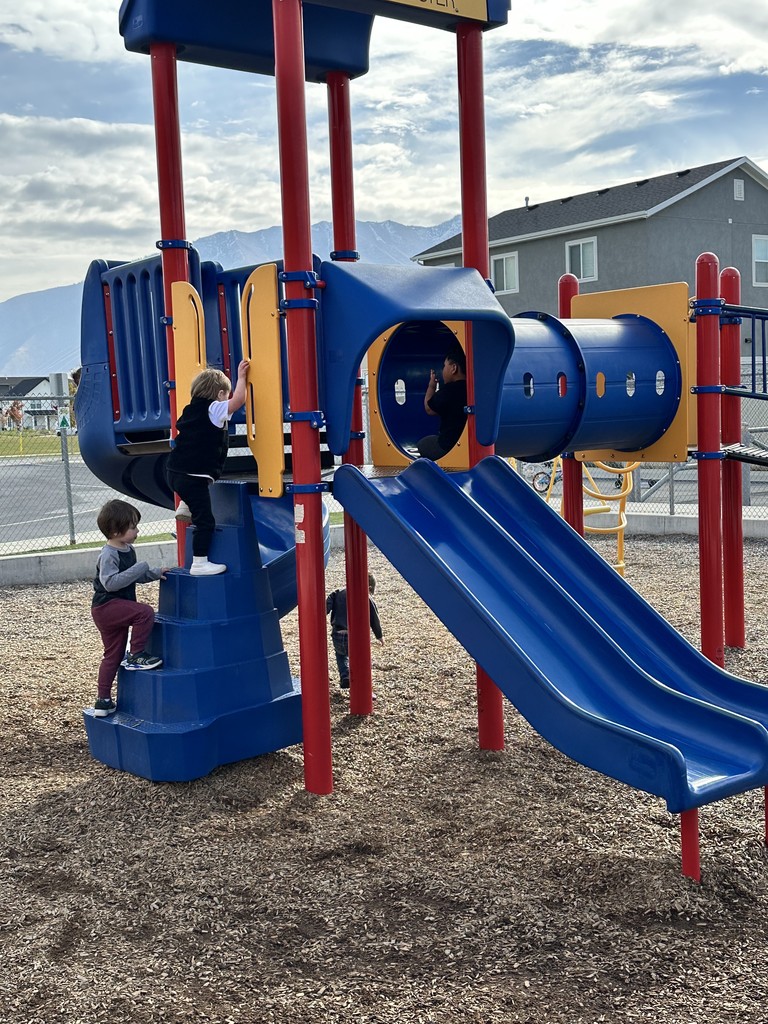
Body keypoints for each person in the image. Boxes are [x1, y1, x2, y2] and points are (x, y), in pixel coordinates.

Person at [165, 359, 249, 576]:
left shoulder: (191, 409)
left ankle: (185, 505)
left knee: (196, 494)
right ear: (220, 394)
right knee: (206, 520)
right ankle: (199, 563)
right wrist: (242, 378)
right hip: (193, 475)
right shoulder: (214, 408)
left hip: (175, 471)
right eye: (225, 394)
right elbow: (239, 400)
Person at [91, 499, 171, 718]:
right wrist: (141, 567)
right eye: (133, 526)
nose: (137, 530)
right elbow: (110, 583)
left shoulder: (127, 549)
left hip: (111, 608)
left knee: (113, 656)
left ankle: (103, 701)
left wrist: (155, 572)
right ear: (116, 531)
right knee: (144, 612)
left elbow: (134, 577)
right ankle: (136, 655)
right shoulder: (109, 554)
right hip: (107, 606)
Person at [326, 573, 384, 689]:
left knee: (340, 655)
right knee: (359, 659)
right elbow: (374, 618)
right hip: (354, 637)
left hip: (337, 635)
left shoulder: (338, 592)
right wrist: (379, 636)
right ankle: (363, 686)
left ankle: (345, 675)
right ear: (370, 588)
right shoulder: (366, 596)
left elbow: (328, 603)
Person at [416, 342, 467, 460]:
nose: (443, 370)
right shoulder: (471, 389)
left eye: (445, 366)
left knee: (423, 443)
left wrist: (431, 386)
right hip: (466, 444)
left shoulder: (449, 390)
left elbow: (429, 409)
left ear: (454, 368)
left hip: (448, 446)